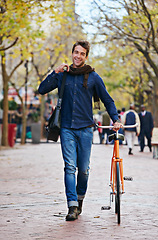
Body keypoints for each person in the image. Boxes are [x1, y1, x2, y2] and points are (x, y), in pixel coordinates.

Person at [38, 40, 122, 221]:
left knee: (83, 170)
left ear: (86, 56)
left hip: (85, 129)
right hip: (66, 128)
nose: (78, 56)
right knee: (69, 167)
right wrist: (56, 72)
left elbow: (107, 100)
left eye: (82, 53)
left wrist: (116, 119)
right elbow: (42, 89)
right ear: (72, 53)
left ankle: (80, 200)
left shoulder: (93, 77)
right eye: (76, 52)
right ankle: (72, 205)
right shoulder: (63, 75)